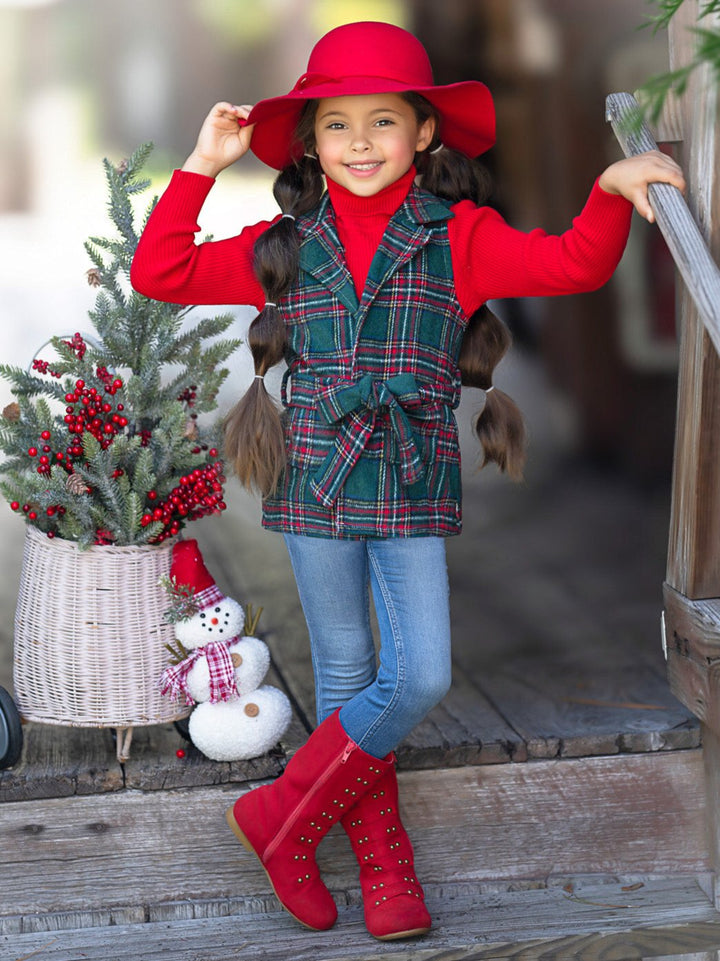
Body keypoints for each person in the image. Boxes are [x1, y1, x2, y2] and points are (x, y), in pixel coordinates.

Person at [131, 21, 685, 942]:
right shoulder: (283, 243)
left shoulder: (458, 236)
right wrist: (200, 162)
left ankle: (281, 817)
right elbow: (163, 271)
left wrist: (609, 191)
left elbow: (571, 262)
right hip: (313, 477)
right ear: (309, 140)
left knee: (419, 671)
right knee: (348, 674)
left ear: (424, 134)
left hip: (409, 478)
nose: (359, 143)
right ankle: (386, 868)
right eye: (337, 124)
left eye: (383, 122)